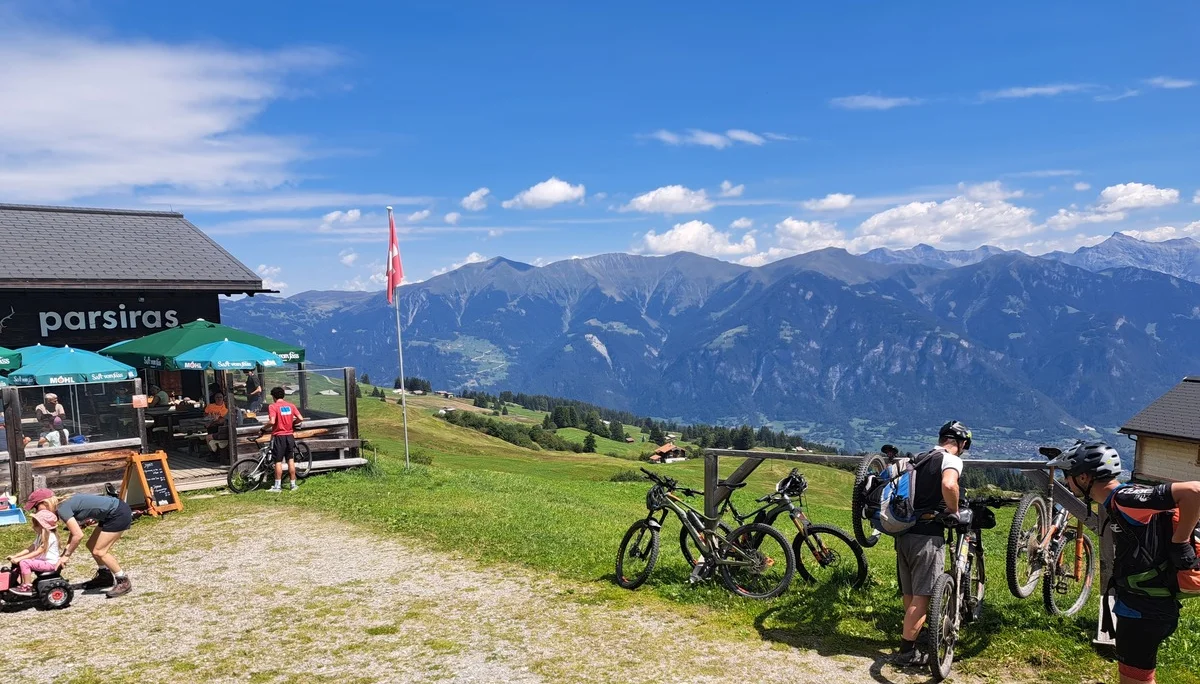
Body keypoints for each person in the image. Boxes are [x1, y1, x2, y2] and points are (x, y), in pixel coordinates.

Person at [1049, 441, 1200, 684]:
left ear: (1084, 477)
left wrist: (1180, 542)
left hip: (1143, 610)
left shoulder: (1124, 499)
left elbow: (1194, 491)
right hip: (1148, 604)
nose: (1067, 482)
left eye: (1069, 476)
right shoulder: (1121, 500)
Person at [893, 420, 971, 667]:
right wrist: (954, 511)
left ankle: (915, 636)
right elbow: (949, 484)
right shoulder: (950, 459)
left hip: (904, 533)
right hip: (928, 536)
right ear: (962, 443)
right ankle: (907, 652)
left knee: (910, 594)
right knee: (923, 597)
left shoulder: (919, 458)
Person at [24, 488, 134, 598]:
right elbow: (74, 533)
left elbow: (78, 535)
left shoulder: (62, 509)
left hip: (118, 513)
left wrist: (66, 556)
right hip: (110, 514)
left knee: (99, 551)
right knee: (91, 545)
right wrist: (64, 554)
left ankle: (123, 580)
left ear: (45, 503)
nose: (37, 512)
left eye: (36, 507)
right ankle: (105, 576)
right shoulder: (62, 506)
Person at [4, 509, 61, 595]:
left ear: (42, 526)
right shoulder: (40, 536)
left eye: (35, 525)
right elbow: (30, 548)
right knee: (20, 562)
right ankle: (18, 583)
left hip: (50, 564)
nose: (33, 527)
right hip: (43, 561)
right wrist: (16, 556)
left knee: (24, 562)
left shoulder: (50, 537)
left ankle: (27, 586)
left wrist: (20, 559)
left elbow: (37, 552)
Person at [262, 386, 304, 492]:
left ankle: (277, 486)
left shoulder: (273, 406)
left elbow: (272, 421)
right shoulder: (291, 406)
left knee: (278, 461)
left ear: (273, 397)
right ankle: (293, 485)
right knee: (290, 459)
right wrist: (293, 423)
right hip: (289, 436)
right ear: (283, 395)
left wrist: (263, 428)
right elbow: (300, 418)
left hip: (279, 436)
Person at [205, 391, 230, 458]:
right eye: (217, 397)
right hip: (216, 429)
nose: (219, 399)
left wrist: (212, 422)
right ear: (214, 398)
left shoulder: (227, 409)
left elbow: (221, 421)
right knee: (211, 431)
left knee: (208, 437)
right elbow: (206, 416)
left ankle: (214, 455)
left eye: (220, 397)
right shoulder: (210, 406)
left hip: (224, 431)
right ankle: (214, 453)